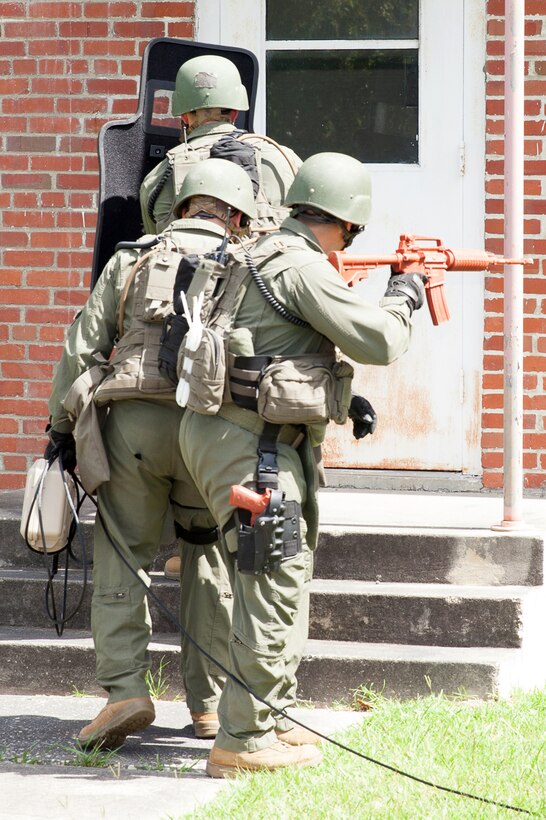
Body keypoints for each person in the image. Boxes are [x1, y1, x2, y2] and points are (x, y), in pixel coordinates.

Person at [176, 152, 426, 778]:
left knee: (276, 574)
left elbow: (277, 349)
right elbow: (380, 339)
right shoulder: (297, 266)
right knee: (271, 580)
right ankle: (241, 740)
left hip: (236, 435)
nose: (350, 243)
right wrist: (403, 295)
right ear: (342, 222)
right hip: (251, 444)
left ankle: (269, 714)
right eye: (353, 232)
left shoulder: (256, 253)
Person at [45, 159, 258, 749]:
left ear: (181, 204)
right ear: (238, 213)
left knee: (123, 554)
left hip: (133, 426)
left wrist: (61, 428)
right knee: (209, 559)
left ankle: (125, 692)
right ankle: (210, 707)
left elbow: (82, 347)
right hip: (212, 431)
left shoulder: (133, 256)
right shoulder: (252, 264)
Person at [139, 52, 302, 580]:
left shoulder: (167, 171)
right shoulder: (283, 159)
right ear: (237, 105)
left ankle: (192, 546)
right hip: (269, 340)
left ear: (184, 113)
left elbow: (159, 249)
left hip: (192, 335)